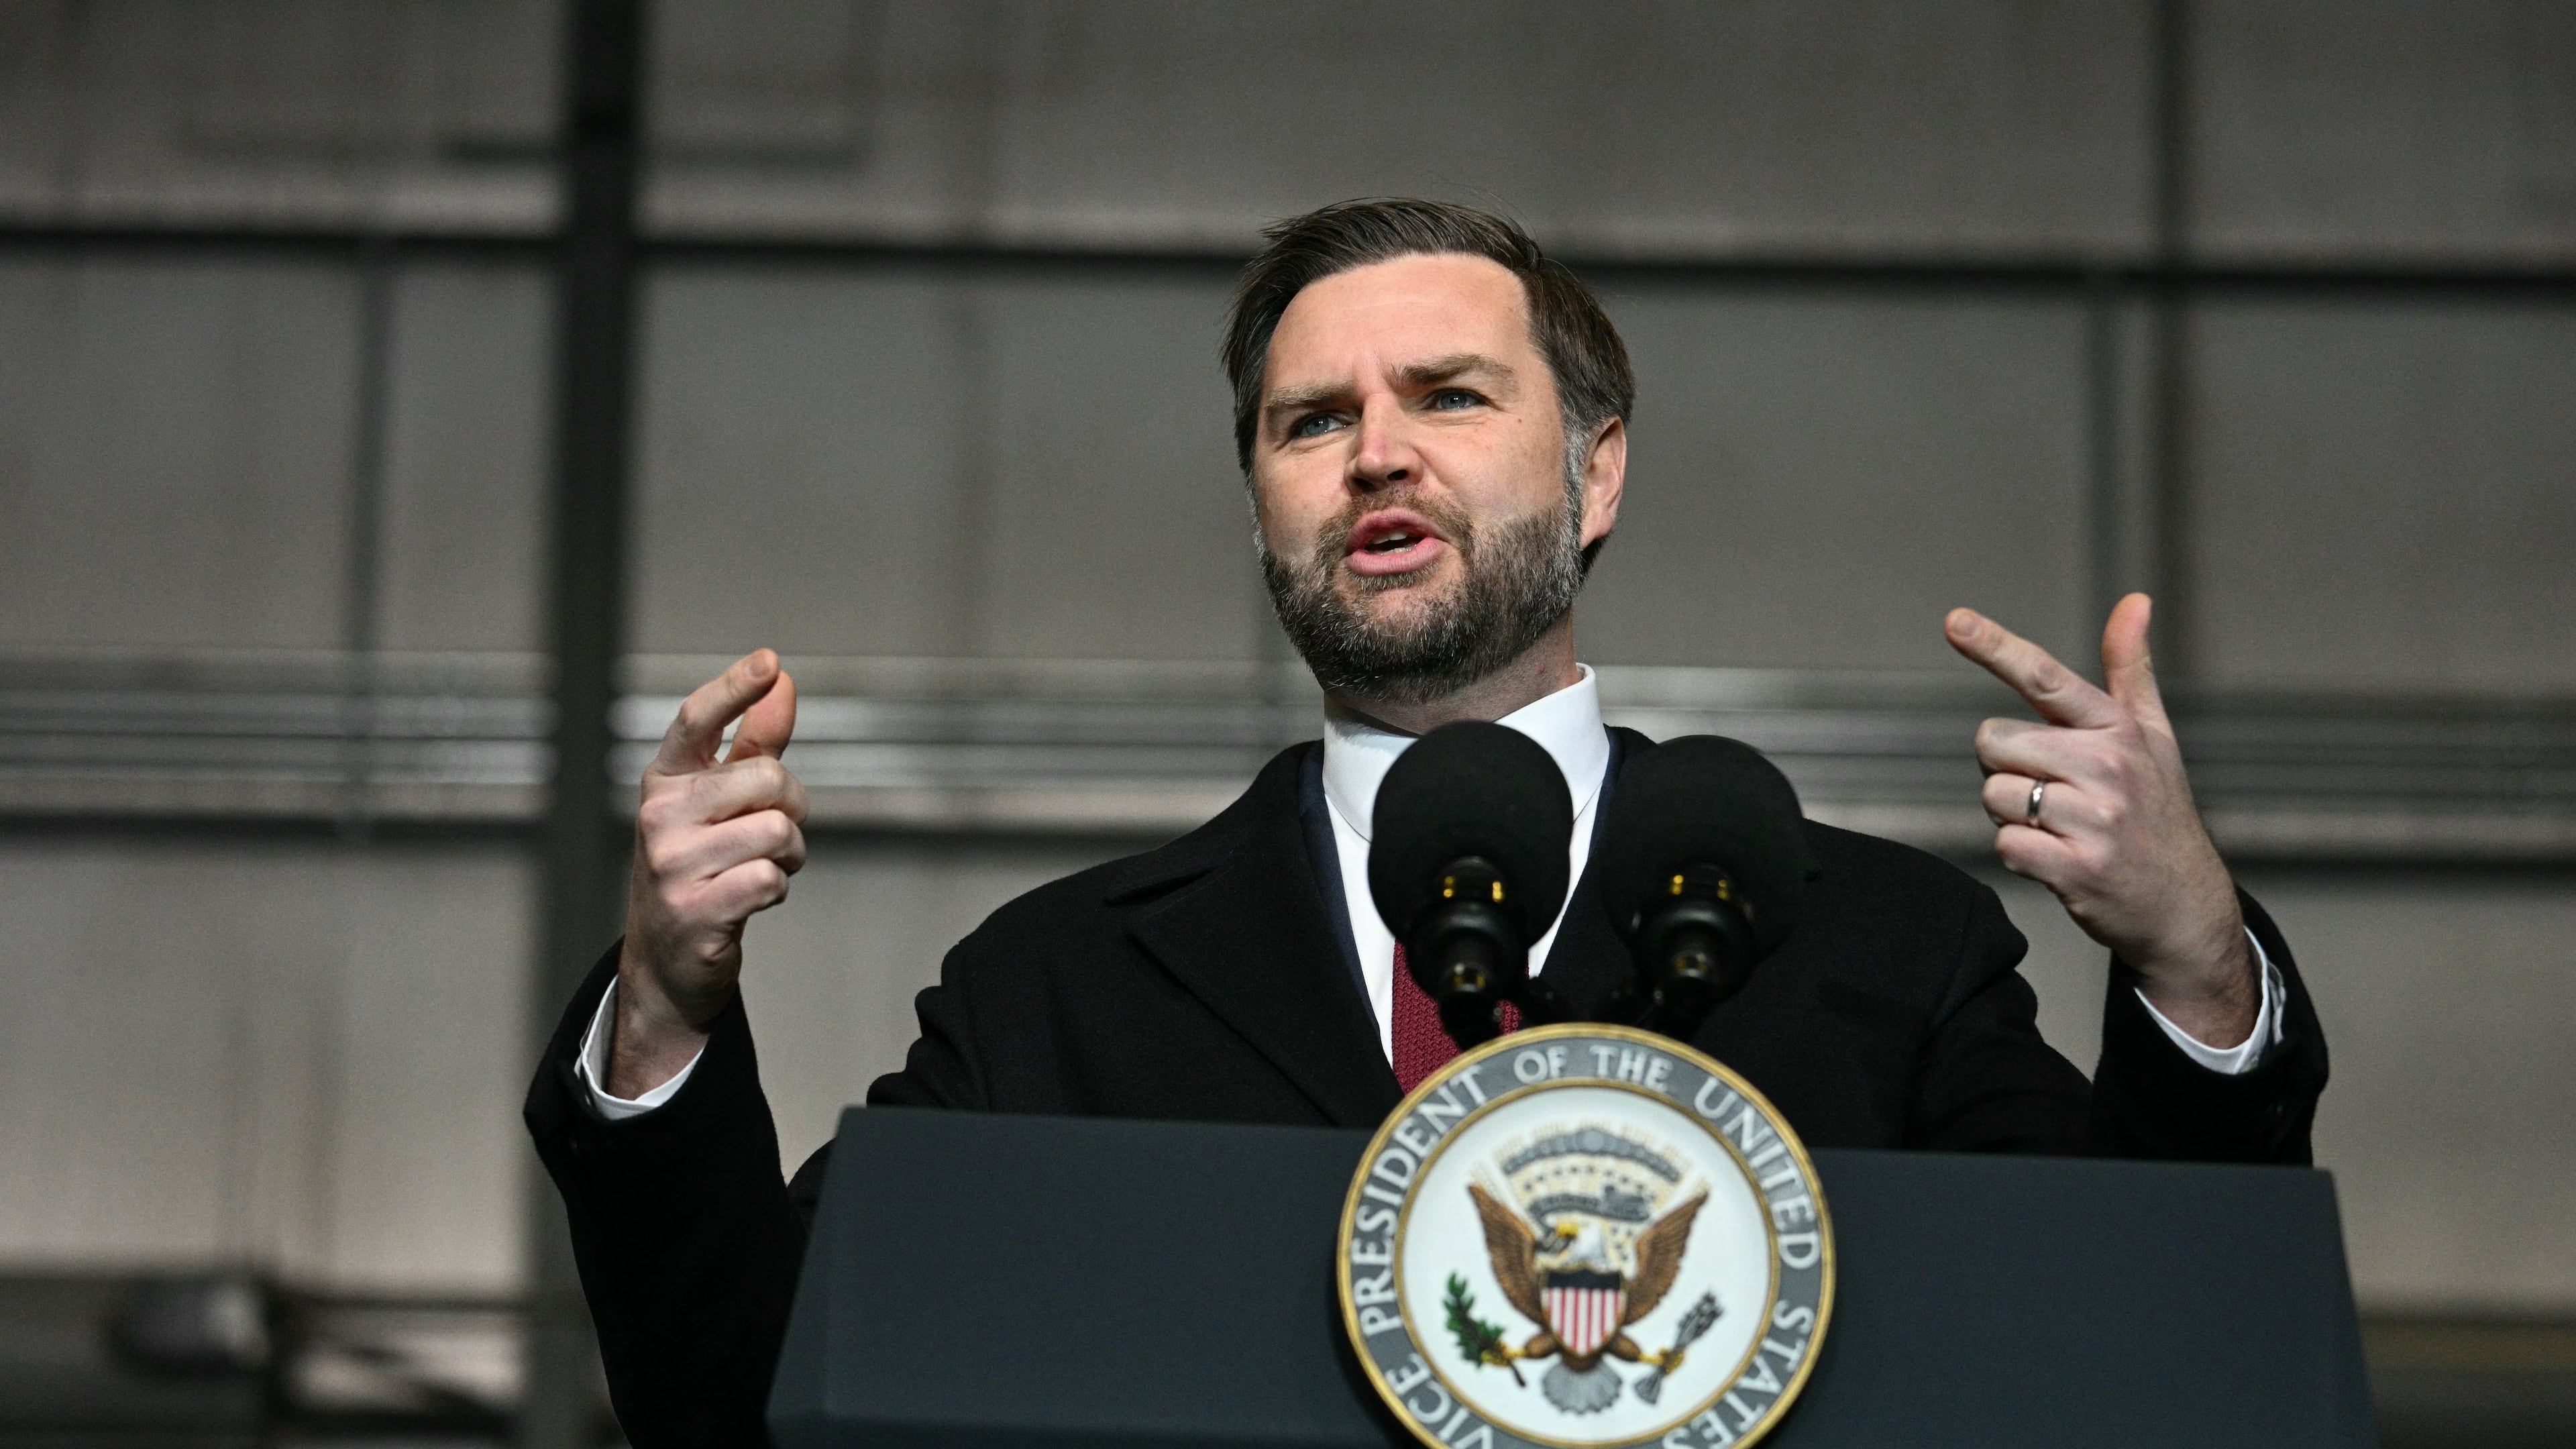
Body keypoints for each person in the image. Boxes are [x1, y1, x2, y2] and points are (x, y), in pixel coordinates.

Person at [524, 199, 2326, 1444]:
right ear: (1262, 509)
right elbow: (741, 1401)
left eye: (1451, 397)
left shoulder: (1881, 952)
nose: (1376, 452)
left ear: (1598, 468)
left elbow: (2155, 1365)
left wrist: (2193, 963)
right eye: (1313, 422)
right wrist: (666, 1009)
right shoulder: (1059, 987)